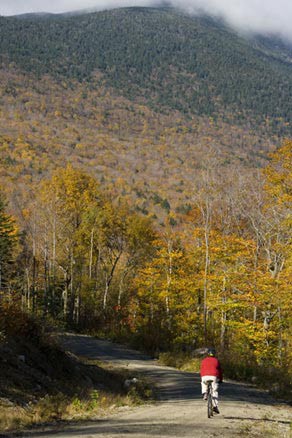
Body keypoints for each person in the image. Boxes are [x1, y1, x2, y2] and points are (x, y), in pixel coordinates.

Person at [200, 347, 223, 414]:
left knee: (203, 383)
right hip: (213, 376)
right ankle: (215, 406)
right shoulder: (216, 360)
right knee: (214, 391)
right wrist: (221, 379)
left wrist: (202, 377)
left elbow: (201, 370)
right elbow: (220, 371)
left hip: (204, 376)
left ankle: (205, 393)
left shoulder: (203, 360)